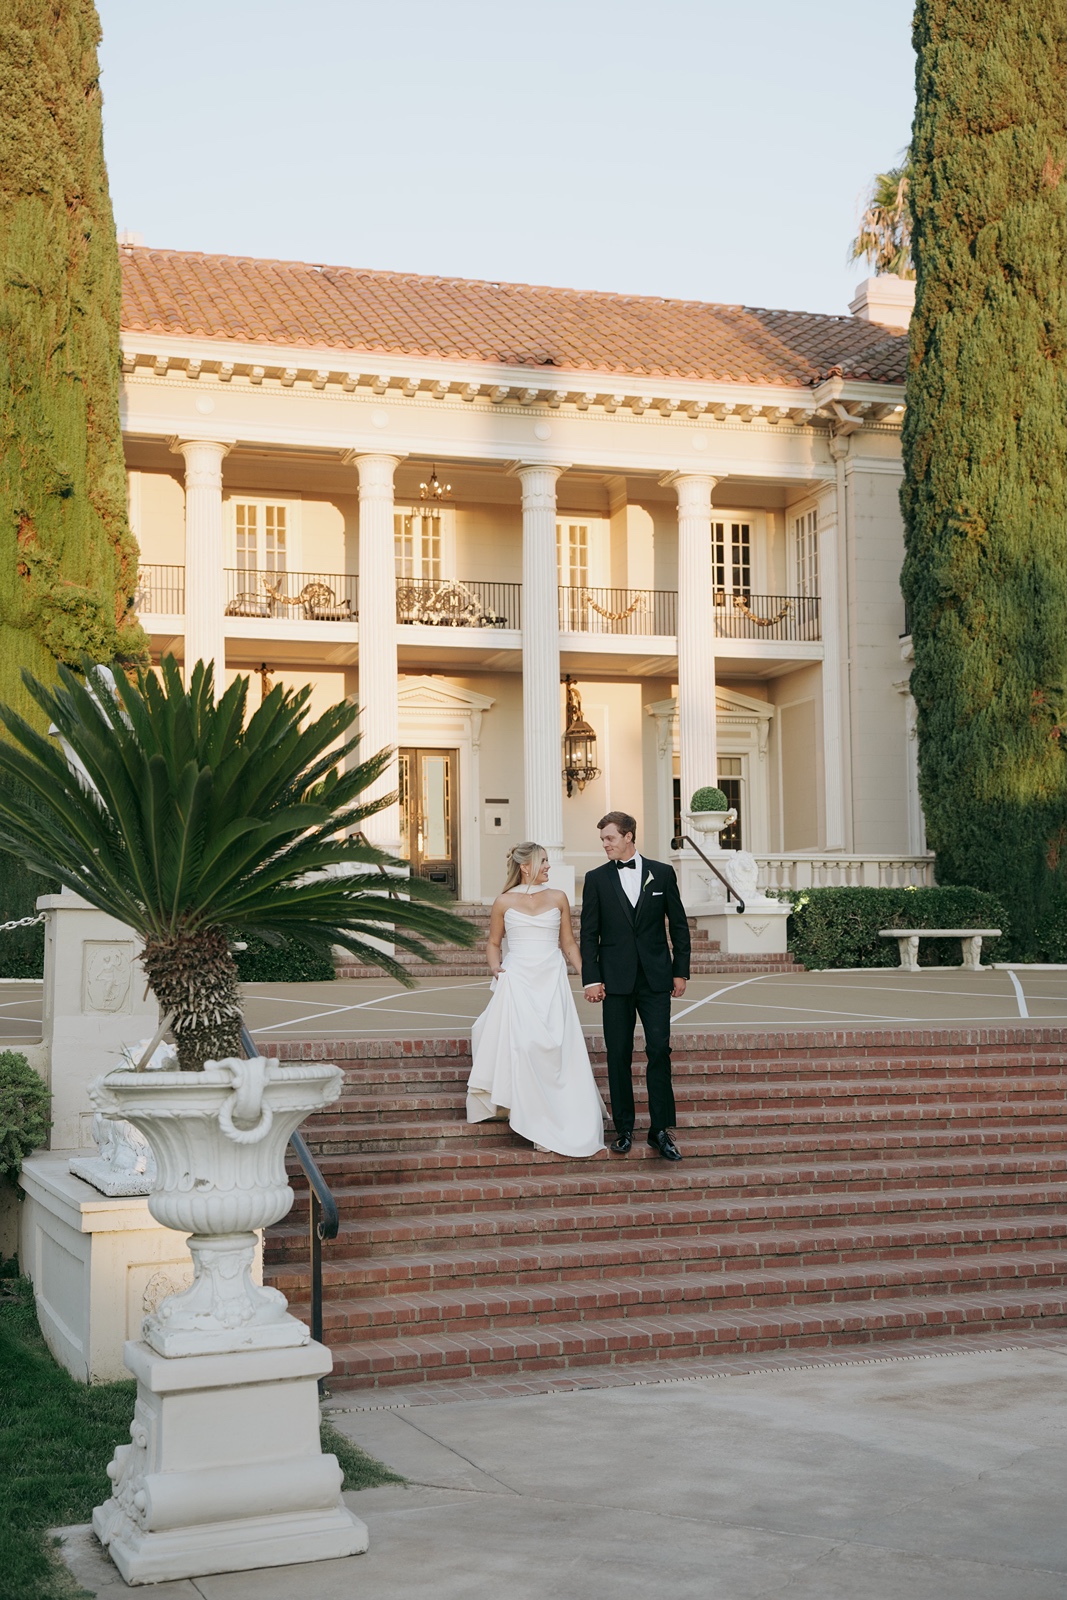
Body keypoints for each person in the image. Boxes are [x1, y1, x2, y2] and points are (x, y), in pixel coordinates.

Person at [466, 841, 605, 1158]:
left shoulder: (558, 898)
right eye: (543, 861)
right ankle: (533, 1119)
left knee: (554, 1049)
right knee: (525, 1048)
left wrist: (588, 976)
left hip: (550, 981)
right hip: (518, 982)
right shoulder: (503, 901)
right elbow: (493, 942)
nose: (548, 866)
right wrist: (496, 969)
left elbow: (568, 944)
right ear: (526, 866)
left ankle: (560, 1116)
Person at [580, 810, 690, 1161]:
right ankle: (624, 1129)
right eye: (603, 840)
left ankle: (660, 1130)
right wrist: (592, 978)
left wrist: (680, 971)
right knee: (618, 1055)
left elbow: (680, 926)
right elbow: (588, 934)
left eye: (610, 838)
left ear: (629, 836)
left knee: (659, 1050)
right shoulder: (596, 879)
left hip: (657, 978)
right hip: (614, 981)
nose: (605, 845)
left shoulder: (662, 873)